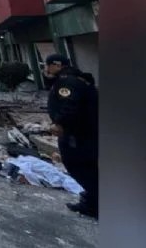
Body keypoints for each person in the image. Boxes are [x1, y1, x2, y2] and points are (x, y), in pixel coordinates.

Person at [45, 53, 98, 219]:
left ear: (57, 65)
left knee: (78, 166)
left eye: (48, 65)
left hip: (77, 134)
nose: (46, 69)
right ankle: (91, 202)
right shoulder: (76, 79)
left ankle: (96, 203)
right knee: (87, 168)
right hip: (85, 132)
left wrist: (59, 123)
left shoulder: (67, 81)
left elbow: (70, 105)